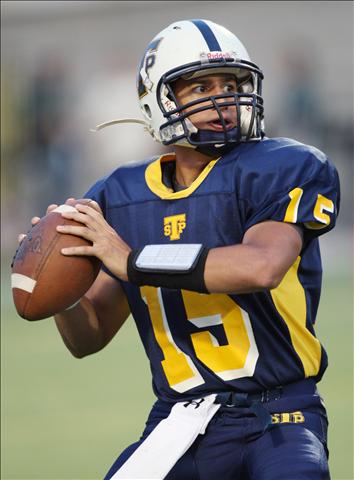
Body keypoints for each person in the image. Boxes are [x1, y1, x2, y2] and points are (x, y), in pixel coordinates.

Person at [24, 19, 340, 480]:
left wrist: (131, 261)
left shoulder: (283, 165)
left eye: (231, 84)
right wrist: (59, 285)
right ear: (159, 98)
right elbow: (88, 338)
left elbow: (262, 266)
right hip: (179, 419)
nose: (224, 100)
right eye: (201, 87)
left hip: (280, 415)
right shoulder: (120, 194)